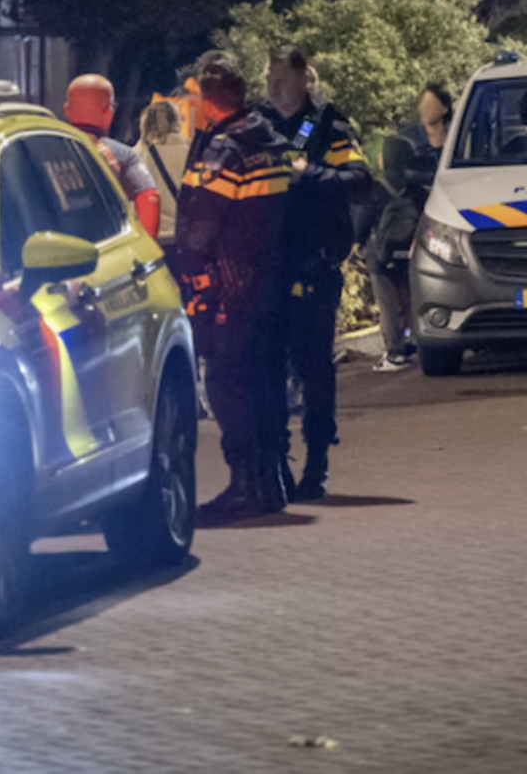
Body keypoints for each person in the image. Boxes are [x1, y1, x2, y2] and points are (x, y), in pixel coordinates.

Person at [177, 51, 293, 521]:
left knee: (227, 382)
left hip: (231, 287)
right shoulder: (269, 140)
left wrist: (189, 273)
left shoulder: (225, 151)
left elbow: (200, 228)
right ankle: (272, 480)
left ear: (208, 101)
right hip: (273, 281)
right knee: (266, 379)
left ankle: (245, 485)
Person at [257, 44, 372, 501]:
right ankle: (276, 464)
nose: (276, 89)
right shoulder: (258, 124)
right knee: (266, 369)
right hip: (266, 268)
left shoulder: (328, 127)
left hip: (314, 266)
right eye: (271, 80)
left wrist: (312, 175)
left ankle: (317, 463)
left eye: (284, 80)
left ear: (306, 80)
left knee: (314, 371)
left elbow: (360, 182)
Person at [368, 83, 452, 372]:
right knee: (410, 297)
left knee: (388, 304)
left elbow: (362, 219)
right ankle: (415, 340)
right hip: (411, 251)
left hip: (381, 255)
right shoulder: (417, 188)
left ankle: (394, 352)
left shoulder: (376, 187)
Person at [63, 74, 161, 240]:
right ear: (109, 112)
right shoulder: (122, 154)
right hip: (107, 246)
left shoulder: (44, 148)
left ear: (66, 109)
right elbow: (150, 198)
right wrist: (144, 246)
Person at [138, 99, 190, 275]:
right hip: (184, 240)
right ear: (176, 121)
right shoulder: (191, 152)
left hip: (151, 242)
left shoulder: (136, 156)